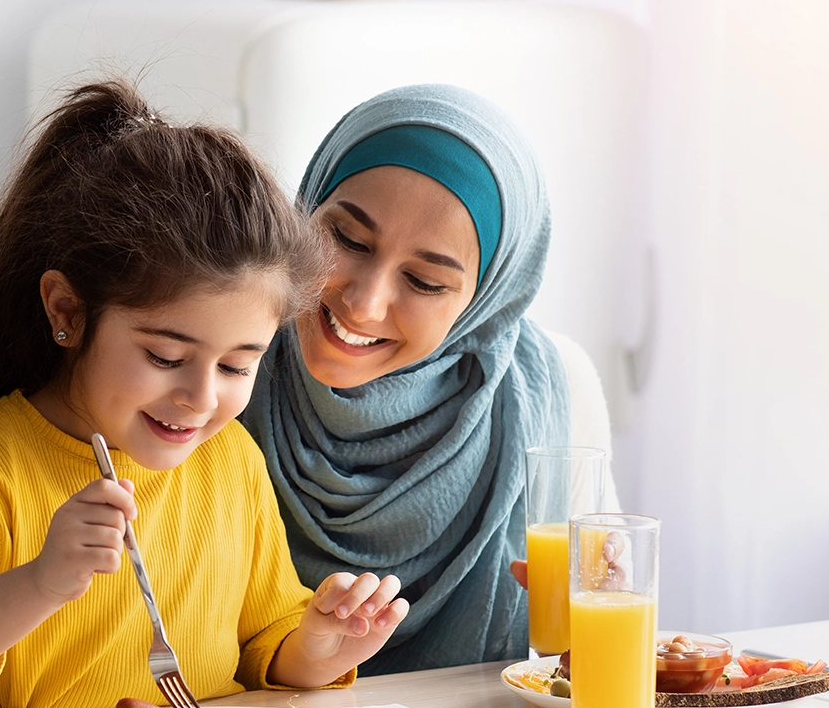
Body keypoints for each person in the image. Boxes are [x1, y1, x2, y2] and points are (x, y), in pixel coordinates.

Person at [0, 82, 411, 708]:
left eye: (238, 367)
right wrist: (41, 583)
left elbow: (264, 640)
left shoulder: (231, 462)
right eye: (165, 357)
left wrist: (317, 649)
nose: (200, 398)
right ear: (67, 311)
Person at [238, 84, 617, 674]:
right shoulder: (220, 358)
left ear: (482, 303)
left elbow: (592, 650)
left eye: (425, 282)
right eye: (347, 239)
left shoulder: (551, 388)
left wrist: (599, 612)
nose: (365, 303)